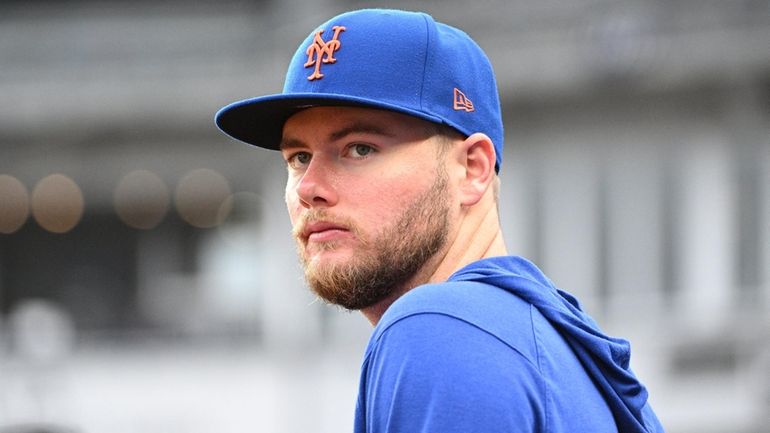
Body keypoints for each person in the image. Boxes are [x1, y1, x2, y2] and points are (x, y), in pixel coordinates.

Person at [215, 8, 665, 433]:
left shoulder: (440, 329)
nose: (309, 186)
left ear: (472, 169)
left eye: (359, 148)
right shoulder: (549, 344)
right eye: (298, 157)